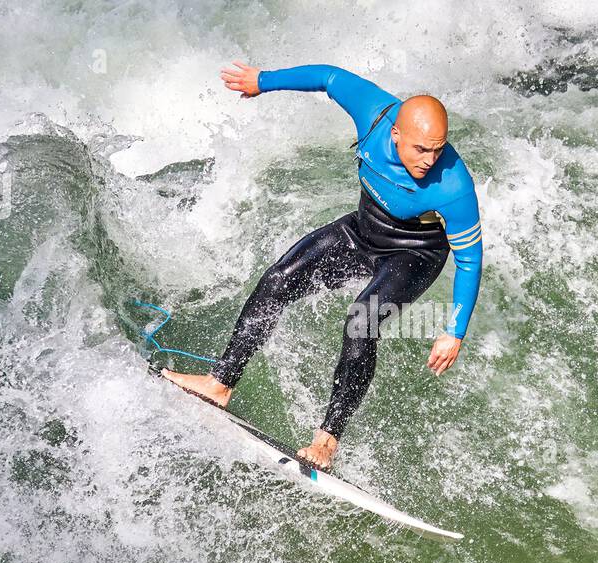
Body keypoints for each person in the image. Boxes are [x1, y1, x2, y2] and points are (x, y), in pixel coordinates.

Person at [162, 61, 485, 470]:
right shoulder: (375, 112)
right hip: (363, 230)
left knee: (361, 320)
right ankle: (219, 383)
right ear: (396, 134)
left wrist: (454, 331)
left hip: (415, 252)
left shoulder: (454, 184)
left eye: (438, 148)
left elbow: (470, 259)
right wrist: (262, 81)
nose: (430, 159)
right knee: (278, 281)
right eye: (421, 148)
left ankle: (327, 441)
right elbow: (329, 78)